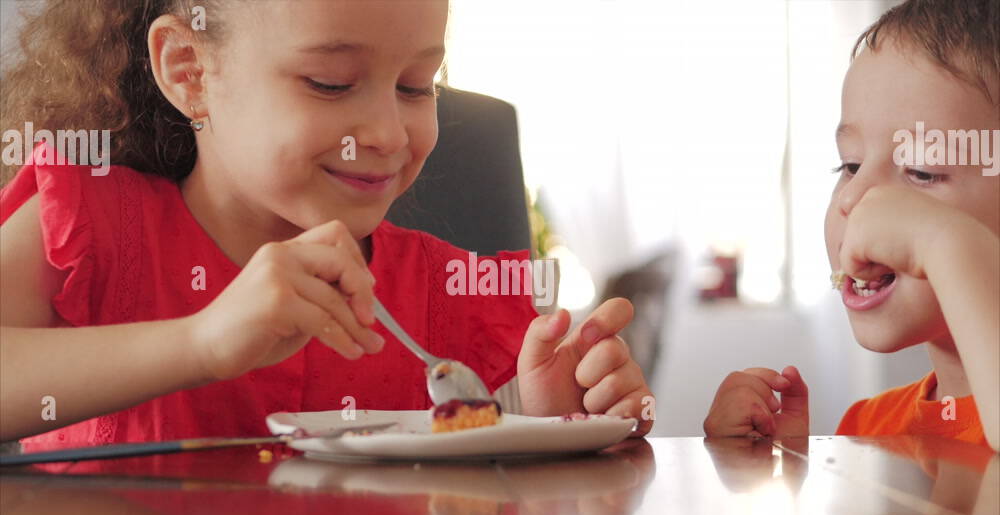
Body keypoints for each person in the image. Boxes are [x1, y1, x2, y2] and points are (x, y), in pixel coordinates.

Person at [0, 0, 653, 450]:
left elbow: (479, 511)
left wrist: (543, 424)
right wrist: (200, 342)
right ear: (190, 72)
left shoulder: (443, 290)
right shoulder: (89, 225)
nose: (388, 133)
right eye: (331, 83)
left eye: (417, 85)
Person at [703, 0, 998, 450]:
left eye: (921, 171)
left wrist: (943, 241)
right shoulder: (868, 429)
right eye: (851, 164)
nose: (852, 199)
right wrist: (785, 465)